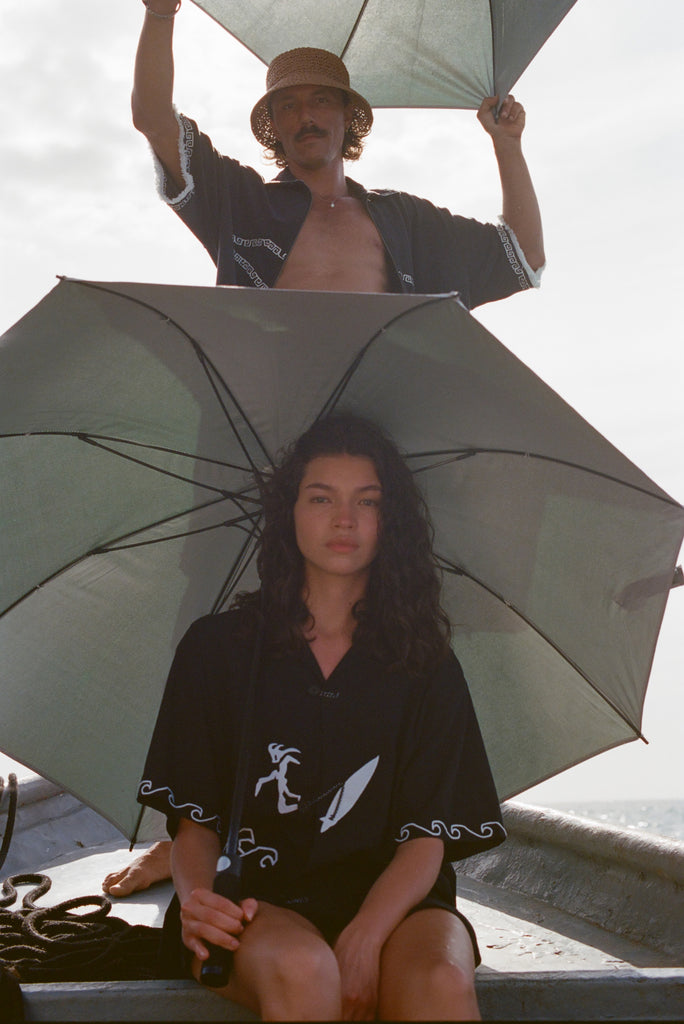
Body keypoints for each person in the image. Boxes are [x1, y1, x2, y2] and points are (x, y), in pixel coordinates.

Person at [134, 413, 505, 1020]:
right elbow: (193, 825)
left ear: (390, 521)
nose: (345, 519)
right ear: (290, 513)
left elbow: (425, 840)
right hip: (251, 898)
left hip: (396, 905)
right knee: (307, 970)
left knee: (439, 980)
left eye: (368, 501)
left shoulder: (426, 662)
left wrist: (364, 937)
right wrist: (199, 901)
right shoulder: (217, 648)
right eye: (321, 497)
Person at [131, 0, 545, 304]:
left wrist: (508, 145)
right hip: (268, 393)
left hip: (372, 394)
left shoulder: (403, 220)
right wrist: (161, 12)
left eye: (321, 101)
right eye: (288, 106)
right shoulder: (242, 201)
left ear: (347, 115)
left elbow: (525, 257)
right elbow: (153, 118)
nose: (305, 116)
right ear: (274, 125)